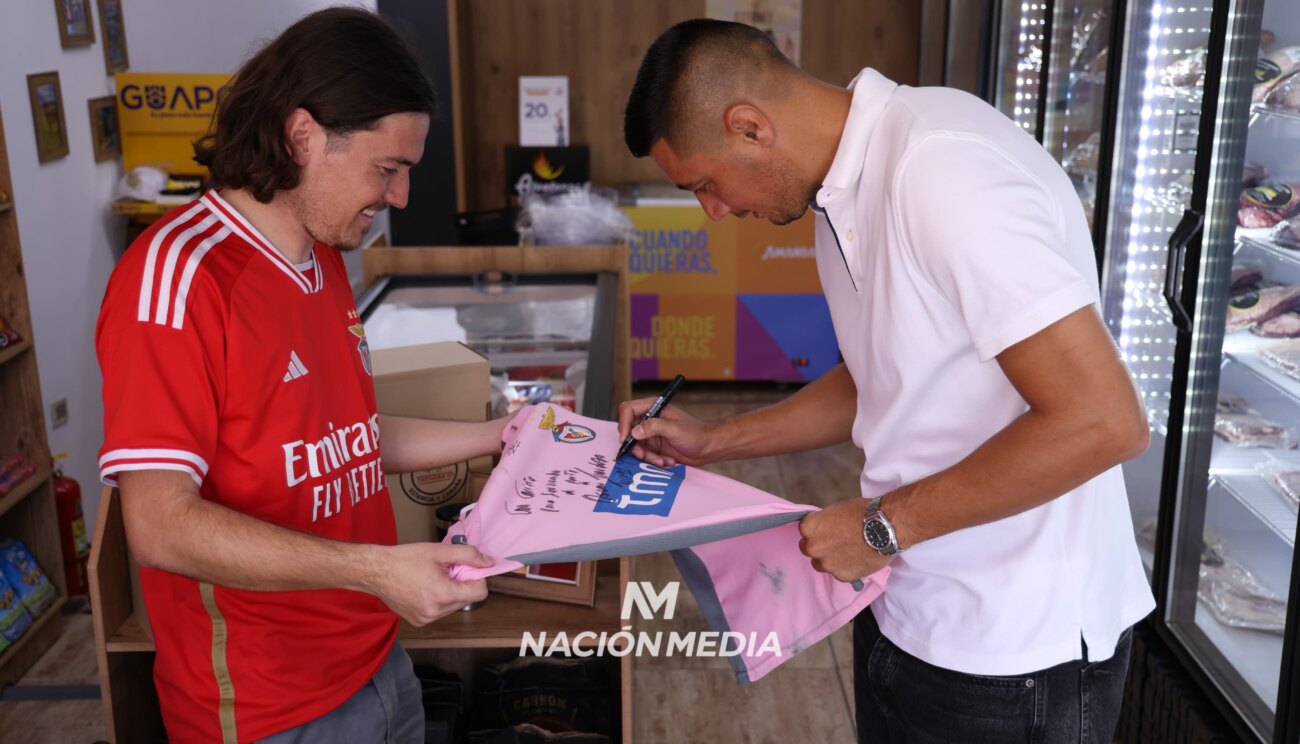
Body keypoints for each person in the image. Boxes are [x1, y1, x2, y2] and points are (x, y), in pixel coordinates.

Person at [620, 19, 1155, 743]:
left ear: (748, 127)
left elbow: (1102, 421)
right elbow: (881, 374)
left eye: (705, 185)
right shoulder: (835, 189)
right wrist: (712, 441)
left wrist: (881, 526)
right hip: (906, 606)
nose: (714, 213)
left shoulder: (943, 169)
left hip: (1016, 653)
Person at [96, 9, 498, 742]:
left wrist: (502, 432)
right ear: (303, 135)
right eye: (388, 170)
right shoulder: (176, 276)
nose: (400, 198)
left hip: (378, 660)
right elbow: (155, 525)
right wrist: (379, 570)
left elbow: (347, 436)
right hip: (265, 706)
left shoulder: (324, 257)